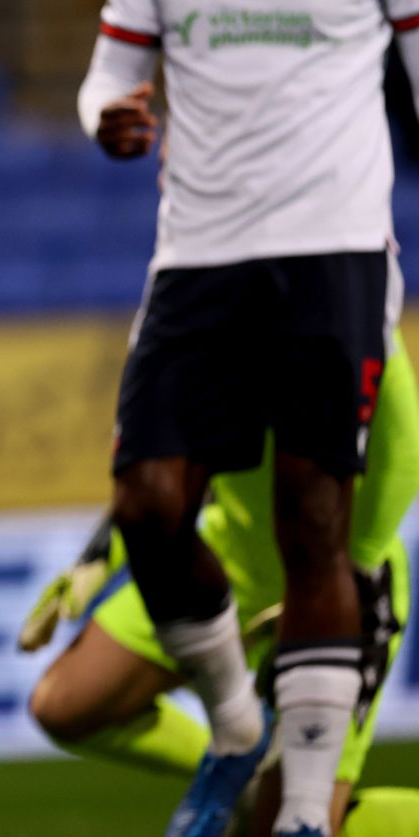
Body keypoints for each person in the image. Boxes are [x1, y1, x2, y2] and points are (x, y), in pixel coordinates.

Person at [81, 0, 419, 832]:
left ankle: (307, 811)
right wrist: (110, 116)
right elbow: (109, 73)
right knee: (147, 503)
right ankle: (235, 721)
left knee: (314, 524)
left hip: (336, 252)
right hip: (197, 257)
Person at [25, 336, 419, 835]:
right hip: (226, 561)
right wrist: (98, 558)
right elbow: (157, 462)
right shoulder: (203, 308)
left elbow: (404, 453)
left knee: (295, 824)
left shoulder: (345, 294)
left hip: (335, 583)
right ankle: (243, 771)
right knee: (65, 705)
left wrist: (344, 581)